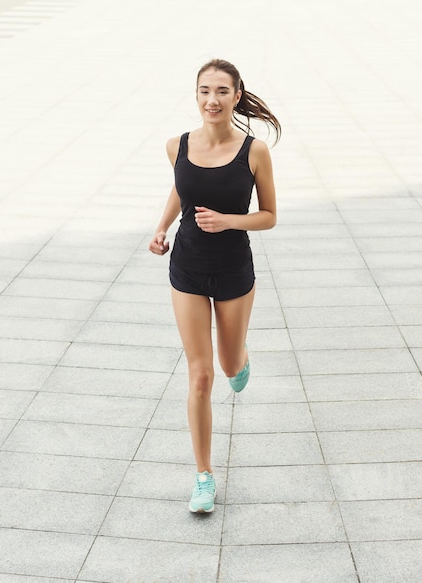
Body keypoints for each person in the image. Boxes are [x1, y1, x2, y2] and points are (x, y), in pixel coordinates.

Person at [148, 58, 280, 514]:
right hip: (186, 268)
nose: (212, 99)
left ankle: (240, 359)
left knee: (226, 366)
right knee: (199, 374)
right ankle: (203, 476)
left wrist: (227, 221)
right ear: (196, 94)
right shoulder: (177, 146)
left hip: (232, 272)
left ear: (236, 95)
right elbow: (180, 189)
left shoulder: (254, 152)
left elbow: (269, 216)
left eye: (222, 91)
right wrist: (162, 227)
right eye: (205, 90)